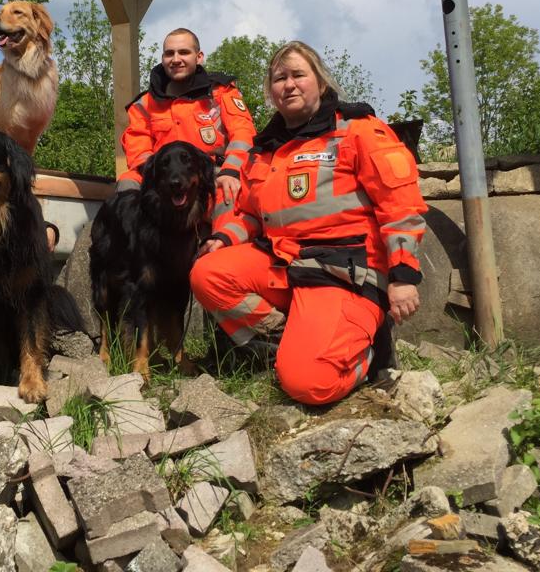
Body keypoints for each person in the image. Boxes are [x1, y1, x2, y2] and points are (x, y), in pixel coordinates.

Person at [190, 41, 427, 406]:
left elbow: (400, 207)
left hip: (343, 274)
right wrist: (223, 239)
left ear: (321, 81)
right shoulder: (265, 149)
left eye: (298, 75)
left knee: (309, 385)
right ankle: (285, 346)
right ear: (271, 91)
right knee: (207, 273)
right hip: (285, 265)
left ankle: (369, 354)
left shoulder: (358, 130)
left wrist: (403, 277)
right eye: (279, 78)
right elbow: (250, 215)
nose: (289, 85)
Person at [119, 28, 257, 217]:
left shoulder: (221, 92)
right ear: (163, 58)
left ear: (199, 57)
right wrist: (159, 179)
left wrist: (230, 171)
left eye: (184, 52)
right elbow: (138, 150)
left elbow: (243, 134)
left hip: (212, 172)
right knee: (128, 182)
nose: (176, 59)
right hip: (165, 176)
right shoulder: (144, 104)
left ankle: (222, 235)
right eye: (169, 53)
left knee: (229, 190)